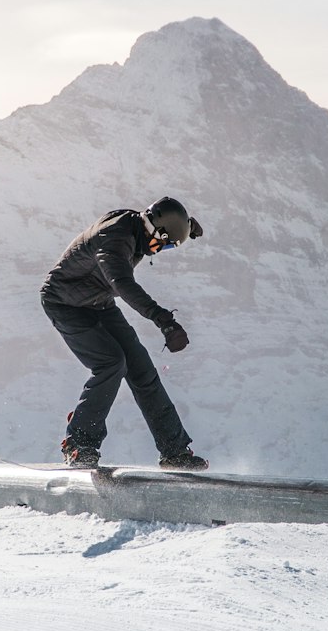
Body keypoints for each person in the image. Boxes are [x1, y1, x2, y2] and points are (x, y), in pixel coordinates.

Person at [41, 198, 208, 470]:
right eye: (163, 244)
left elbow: (171, 223)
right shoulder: (114, 239)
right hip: (65, 303)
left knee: (141, 369)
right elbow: (123, 284)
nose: (159, 251)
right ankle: (79, 443)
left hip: (98, 302)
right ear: (155, 233)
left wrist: (187, 231)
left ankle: (174, 452)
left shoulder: (143, 226)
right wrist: (163, 319)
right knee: (111, 363)